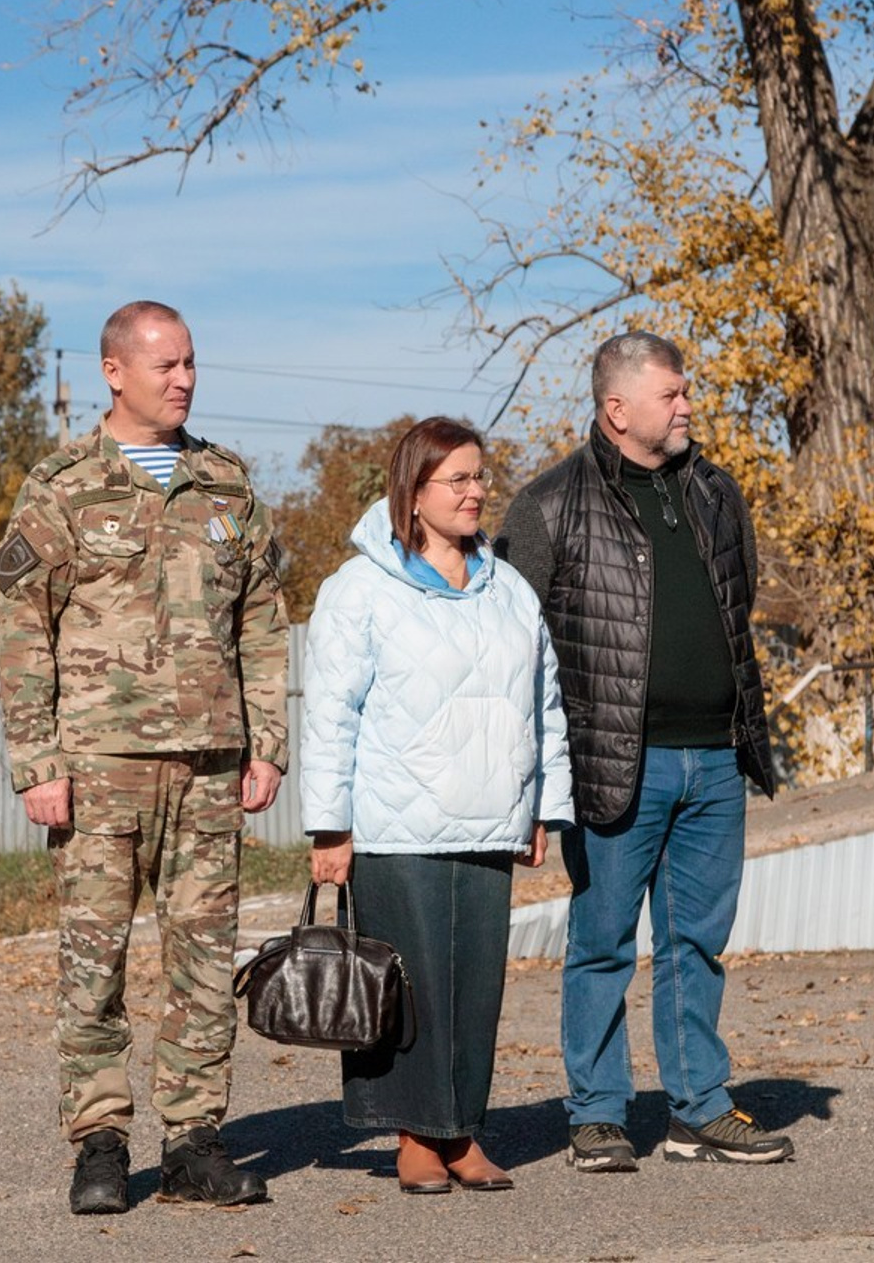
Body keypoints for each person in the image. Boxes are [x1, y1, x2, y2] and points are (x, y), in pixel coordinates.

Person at [0, 300, 289, 1213]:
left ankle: (196, 1141)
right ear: (114, 372)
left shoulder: (226, 485)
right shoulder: (62, 485)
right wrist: (37, 761)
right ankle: (102, 1144)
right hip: (97, 768)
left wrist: (267, 742)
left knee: (203, 958)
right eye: (165, 365)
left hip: (207, 763)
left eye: (191, 362)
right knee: (96, 961)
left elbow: (264, 623)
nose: (184, 379)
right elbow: (20, 628)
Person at [495, 331, 792, 1172]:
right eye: (671, 394)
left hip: (716, 761)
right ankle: (596, 1114)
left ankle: (698, 1107)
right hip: (614, 764)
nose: (687, 405)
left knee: (696, 944)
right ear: (617, 409)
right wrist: (536, 788)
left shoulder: (717, 493)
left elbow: (741, 600)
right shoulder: (547, 505)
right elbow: (517, 647)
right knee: (602, 944)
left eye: (686, 391)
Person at [301, 416, 574, 1195]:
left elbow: (542, 705)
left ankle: (463, 1134)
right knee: (408, 989)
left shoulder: (508, 589)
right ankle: (417, 1136)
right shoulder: (360, 590)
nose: (476, 491)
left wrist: (543, 809)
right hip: (395, 827)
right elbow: (329, 713)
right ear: (413, 494)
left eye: (480, 476)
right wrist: (331, 826)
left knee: (473, 988)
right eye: (457, 479)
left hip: (490, 818)